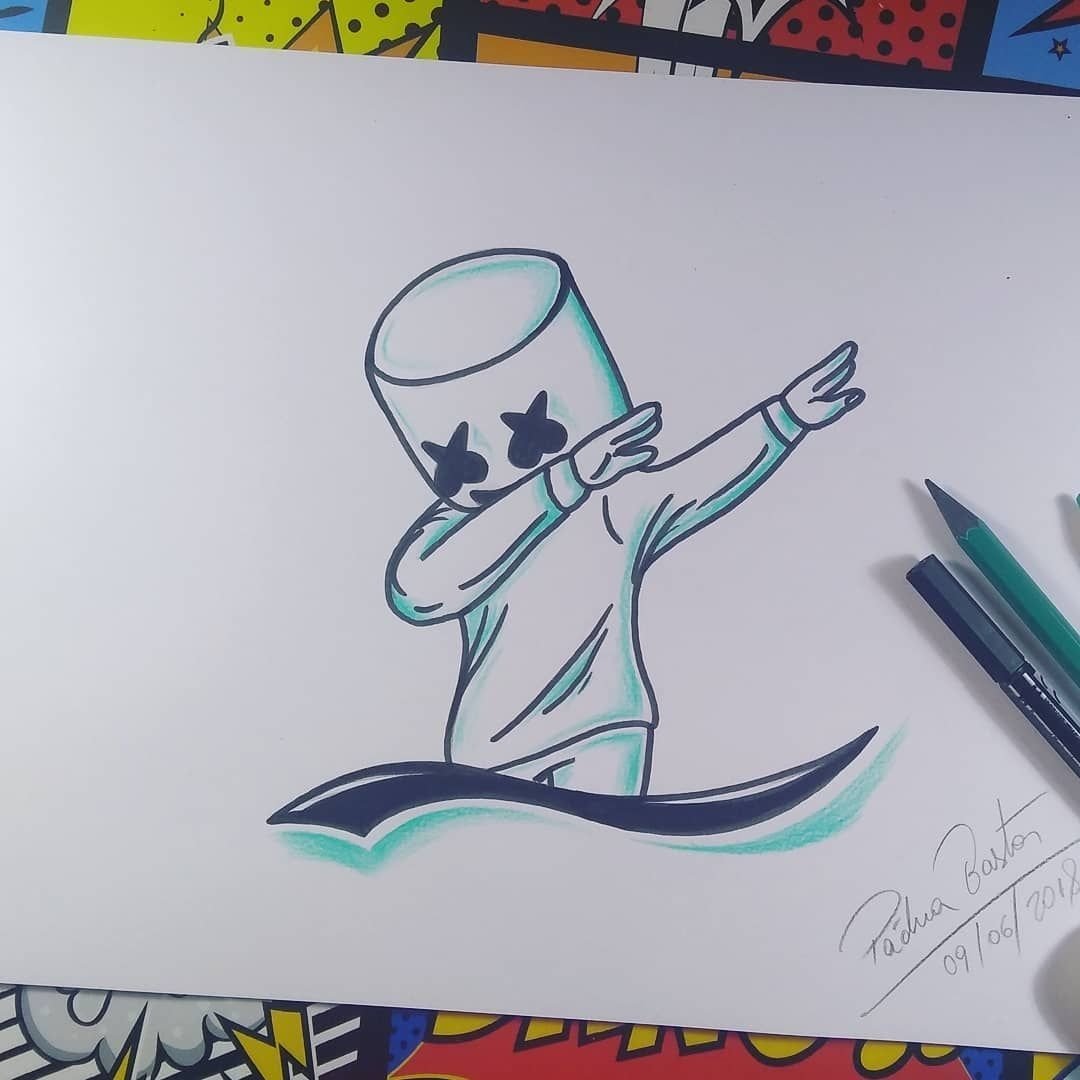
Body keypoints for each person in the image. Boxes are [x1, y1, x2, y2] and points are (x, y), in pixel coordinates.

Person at [366, 249, 864, 796]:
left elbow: (703, 480)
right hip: (494, 747)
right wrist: (563, 481)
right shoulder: (463, 527)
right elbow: (419, 591)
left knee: (603, 843)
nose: (512, 461)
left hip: (606, 723)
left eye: (536, 435)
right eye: (460, 462)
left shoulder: (616, 504)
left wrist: (784, 420)